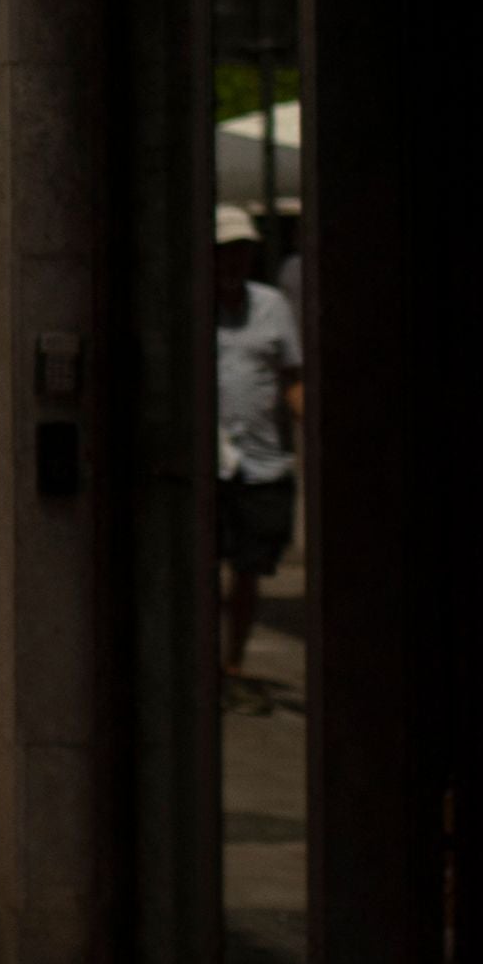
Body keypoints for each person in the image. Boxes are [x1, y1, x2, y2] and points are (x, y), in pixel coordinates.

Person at [217, 215, 304, 690]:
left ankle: (233, 660)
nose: (233, 260)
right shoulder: (192, 306)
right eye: (224, 250)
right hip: (211, 462)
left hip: (261, 459)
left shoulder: (271, 306)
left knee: (249, 567)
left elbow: (292, 376)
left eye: (241, 250)